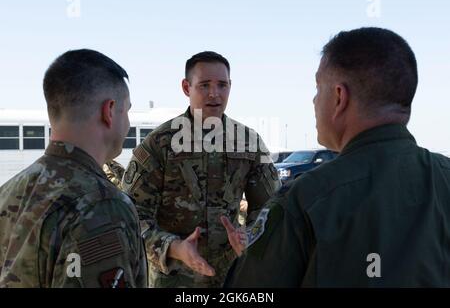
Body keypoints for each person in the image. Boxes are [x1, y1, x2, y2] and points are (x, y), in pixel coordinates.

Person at [224, 27, 450, 287]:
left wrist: (260, 257)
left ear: (339, 97)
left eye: (318, 88)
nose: (314, 100)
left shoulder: (306, 198)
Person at [122, 51, 281, 287]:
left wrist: (251, 235)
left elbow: (271, 206)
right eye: (204, 85)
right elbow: (131, 215)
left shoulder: (249, 142)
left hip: (233, 276)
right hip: (175, 279)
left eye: (222, 85)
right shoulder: (160, 144)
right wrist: (174, 247)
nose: (214, 94)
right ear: (187, 87)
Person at [0, 49, 147, 288]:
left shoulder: (9, 191)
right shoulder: (102, 205)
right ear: (109, 111)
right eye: (126, 110)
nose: (128, 122)